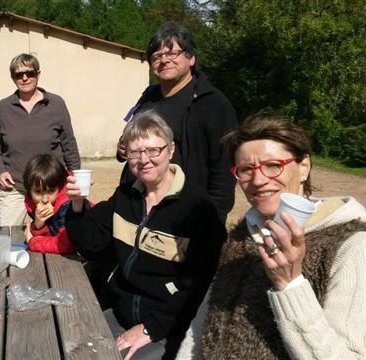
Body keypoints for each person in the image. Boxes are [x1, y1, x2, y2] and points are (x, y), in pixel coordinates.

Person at [176, 117, 366, 359]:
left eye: (273, 165)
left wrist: (290, 285)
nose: (258, 180)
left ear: (304, 167)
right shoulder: (244, 233)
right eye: (246, 170)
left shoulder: (352, 247)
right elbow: (202, 323)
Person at [65, 111, 226, 360]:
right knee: (66, 343)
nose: (144, 160)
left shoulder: (198, 209)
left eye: (153, 150)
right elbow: (91, 244)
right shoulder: (126, 196)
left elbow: (199, 287)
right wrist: (76, 206)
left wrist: (151, 328)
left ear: (171, 150)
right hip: (119, 314)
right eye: (134, 152)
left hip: (168, 326)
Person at [118, 23, 237, 223]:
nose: (164, 60)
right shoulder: (149, 96)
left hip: (187, 211)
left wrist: (213, 217)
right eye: (156, 56)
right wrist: (123, 147)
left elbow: (224, 168)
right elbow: (133, 137)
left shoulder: (213, 104)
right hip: (140, 203)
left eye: (172, 53)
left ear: (191, 58)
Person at [0, 53, 81, 227]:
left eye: (30, 73)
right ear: (12, 78)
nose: (25, 78)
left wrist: (75, 176)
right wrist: (0, 171)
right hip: (14, 186)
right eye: (18, 74)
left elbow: (69, 142)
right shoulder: (3, 108)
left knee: (60, 233)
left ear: (38, 74)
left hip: (51, 187)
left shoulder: (56, 104)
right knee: (4, 236)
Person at [22, 154, 91, 254]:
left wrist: (33, 242)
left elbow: (66, 245)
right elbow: (52, 234)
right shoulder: (34, 203)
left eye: (51, 191)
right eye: (38, 192)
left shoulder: (66, 207)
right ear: (29, 190)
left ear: (60, 186)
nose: (45, 199)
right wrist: (38, 225)